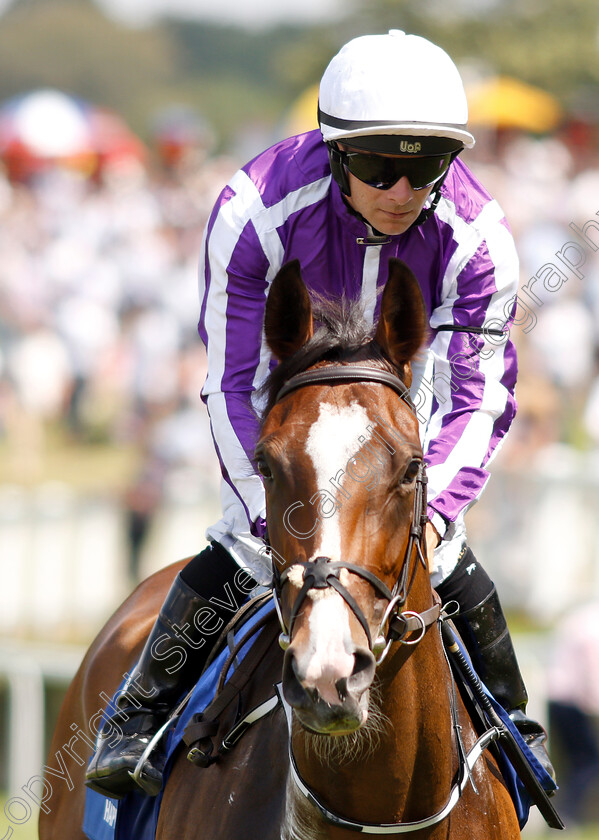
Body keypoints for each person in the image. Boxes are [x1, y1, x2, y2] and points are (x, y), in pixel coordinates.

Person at [86, 29, 555, 798]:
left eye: (425, 168)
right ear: (336, 152)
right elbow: (232, 384)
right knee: (240, 547)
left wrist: (431, 510)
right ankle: (134, 718)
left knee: (444, 559)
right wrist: (273, 512)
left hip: (401, 423)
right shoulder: (255, 210)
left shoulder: (477, 236)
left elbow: (480, 396)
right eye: (378, 167)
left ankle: (512, 732)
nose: (402, 192)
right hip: (295, 419)